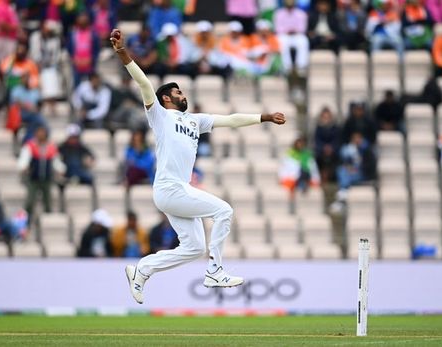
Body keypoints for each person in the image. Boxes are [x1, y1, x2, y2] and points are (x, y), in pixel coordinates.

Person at [110, 28, 286, 303]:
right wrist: (123, 53)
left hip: (177, 191)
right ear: (166, 98)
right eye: (178, 92)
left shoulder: (195, 120)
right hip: (169, 188)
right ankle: (215, 270)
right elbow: (144, 84)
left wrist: (263, 117)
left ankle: (142, 270)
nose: (183, 95)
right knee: (224, 210)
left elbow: (231, 119)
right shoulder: (159, 115)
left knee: (193, 247)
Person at [17, 125, 66, 221]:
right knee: (30, 201)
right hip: (33, 178)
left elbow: (56, 161)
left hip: (47, 179)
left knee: (47, 201)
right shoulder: (30, 146)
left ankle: (48, 220)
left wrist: (61, 169)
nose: (41, 135)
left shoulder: (51, 147)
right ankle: (26, 220)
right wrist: (23, 167)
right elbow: (24, 159)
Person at [273, 0, 309, 75]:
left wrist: (294, 31)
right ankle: (286, 67)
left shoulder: (301, 13)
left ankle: (301, 66)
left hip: (297, 35)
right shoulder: (279, 13)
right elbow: (277, 29)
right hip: (284, 35)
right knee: (281, 40)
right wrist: (287, 31)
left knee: (303, 40)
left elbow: (302, 29)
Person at [10, 72, 46, 143]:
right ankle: (27, 140)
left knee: (37, 120)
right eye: (24, 79)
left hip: (34, 113)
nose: (26, 80)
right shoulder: (16, 90)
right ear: (21, 80)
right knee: (37, 120)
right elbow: (17, 102)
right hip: (21, 113)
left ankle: (28, 139)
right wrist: (29, 107)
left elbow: (39, 102)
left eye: (27, 78)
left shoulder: (34, 90)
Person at [67, 12, 101, 87]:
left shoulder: (93, 34)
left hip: (90, 65)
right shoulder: (73, 33)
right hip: (77, 65)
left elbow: (97, 49)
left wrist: (91, 59)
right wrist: (73, 59)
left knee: (91, 87)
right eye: (80, 19)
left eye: (84, 20)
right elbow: (69, 48)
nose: (82, 21)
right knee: (77, 87)